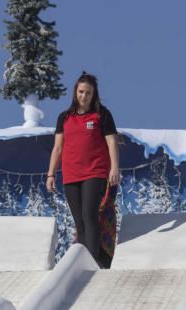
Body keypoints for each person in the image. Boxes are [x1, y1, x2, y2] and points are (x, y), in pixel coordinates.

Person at [46, 71, 120, 269]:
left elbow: (112, 142)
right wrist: (51, 173)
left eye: (87, 93)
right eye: (80, 92)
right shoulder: (65, 117)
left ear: (93, 94)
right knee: (79, 221)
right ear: (75, 92)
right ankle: (81, 262)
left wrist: (114, 168)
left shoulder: (101, 115)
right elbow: (58, 148)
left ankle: (93, 261)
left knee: (89, 214)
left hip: (95, 172)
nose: (83, 96)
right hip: (71, 174)